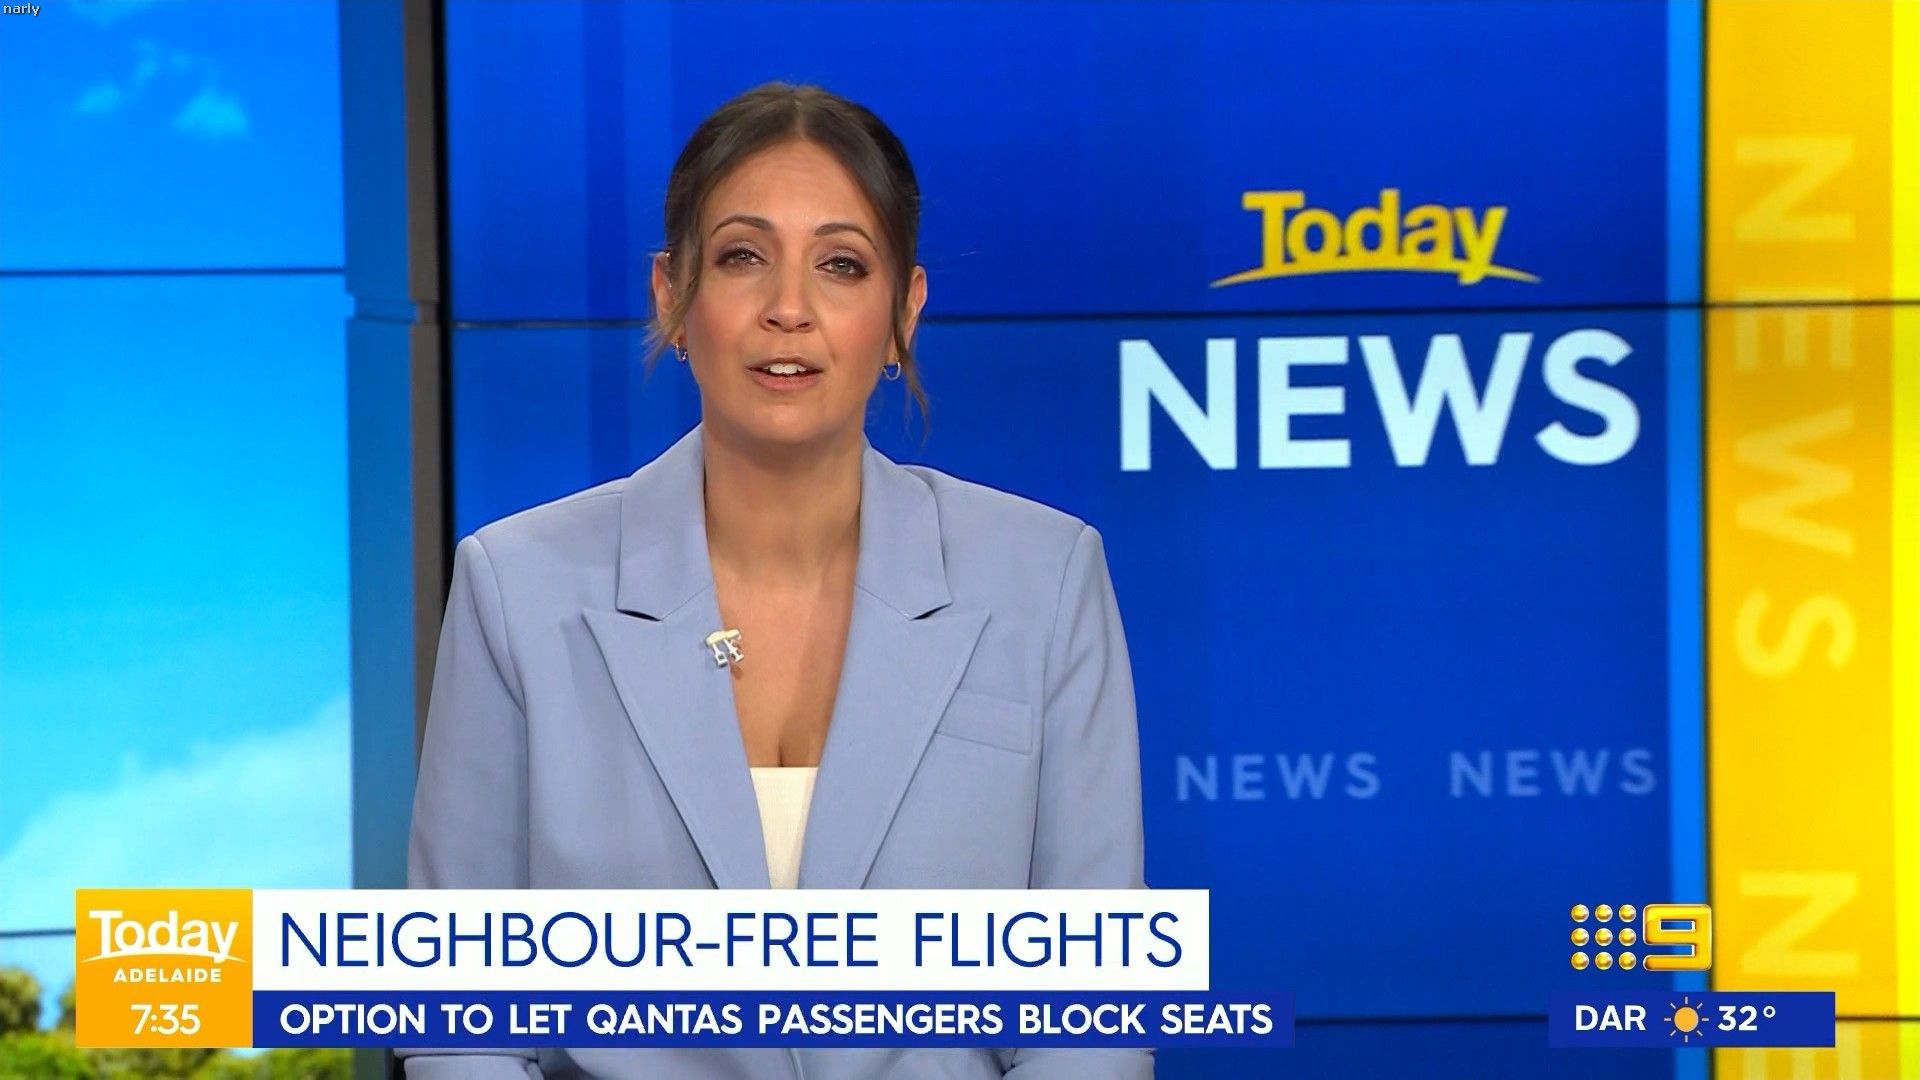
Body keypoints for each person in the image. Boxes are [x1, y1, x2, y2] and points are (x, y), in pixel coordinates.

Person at [401, 82, 1148, 1079]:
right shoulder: (517, 588)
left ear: (903, 312)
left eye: (841, 265)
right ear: (671, 295)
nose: (788, 309)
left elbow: (1090, 1027)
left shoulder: (1044, 580)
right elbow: (461, 1022)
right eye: (743, 257)